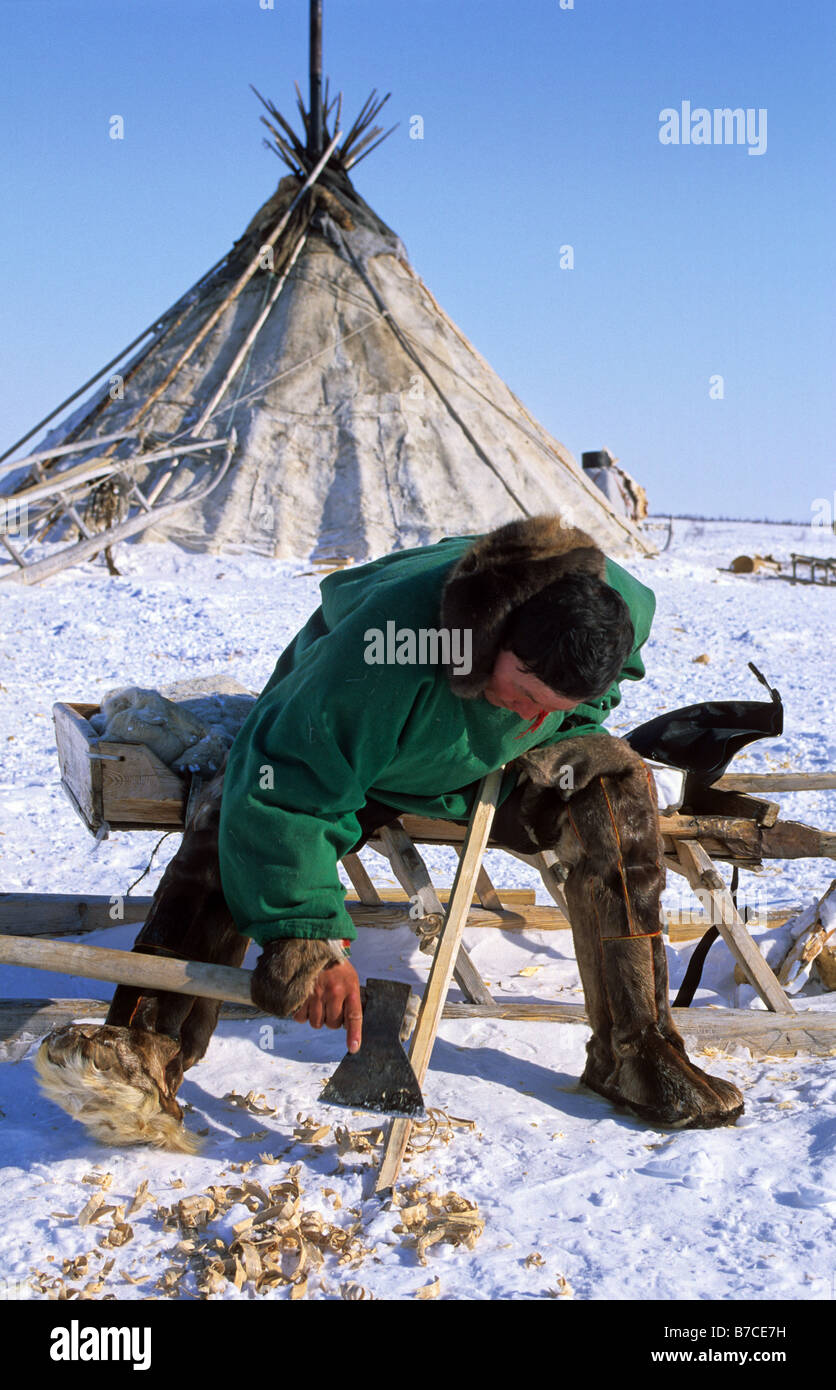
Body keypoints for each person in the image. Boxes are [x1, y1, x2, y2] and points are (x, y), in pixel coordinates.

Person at [106, 515, 743, 1131]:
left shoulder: (620, 610)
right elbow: (289, 780)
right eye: (523, 690)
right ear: (495, 635)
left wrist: (546, 719)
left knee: (614, 787)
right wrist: (308, 936)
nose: (528, 712)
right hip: (371, 757)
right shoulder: (389, 647)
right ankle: (141, 1051)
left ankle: (635, 1053)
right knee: (232, 823)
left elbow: (572, 696)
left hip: (486, 761)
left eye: (548, 706)